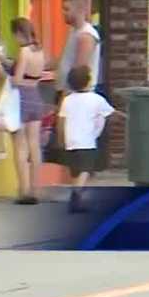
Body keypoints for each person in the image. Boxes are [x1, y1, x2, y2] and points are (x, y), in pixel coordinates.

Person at [0, 18, 46, 205]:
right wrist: (1, 58)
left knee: (20, 146)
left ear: (19, 33)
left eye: (14, 35)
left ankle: (24, 190)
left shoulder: (24, 52)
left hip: (21, 100)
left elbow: (17, 79)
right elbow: (28, 74)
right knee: (34, 145)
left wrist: (0, 72)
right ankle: (36, 189)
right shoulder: (39, 51)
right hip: (36, 97)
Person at [58, 65, 113, 213]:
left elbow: (62, 121)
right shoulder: (96, 99)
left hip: (71, 142)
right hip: (87, 141)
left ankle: (78, 199)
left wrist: (61, 138)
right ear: (89, 81)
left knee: (75, 171)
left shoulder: (67, 100)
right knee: (86, 169)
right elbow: (110, 113)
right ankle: (76, 195)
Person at [56, 0, 101, 102]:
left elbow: (79, 71)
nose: (63, 13)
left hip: (77, 95)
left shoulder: (86, 35)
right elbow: (66, 58)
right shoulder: (73, 31)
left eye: (67, 9)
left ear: (79, 10)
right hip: (67, 91)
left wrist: (65, 96)